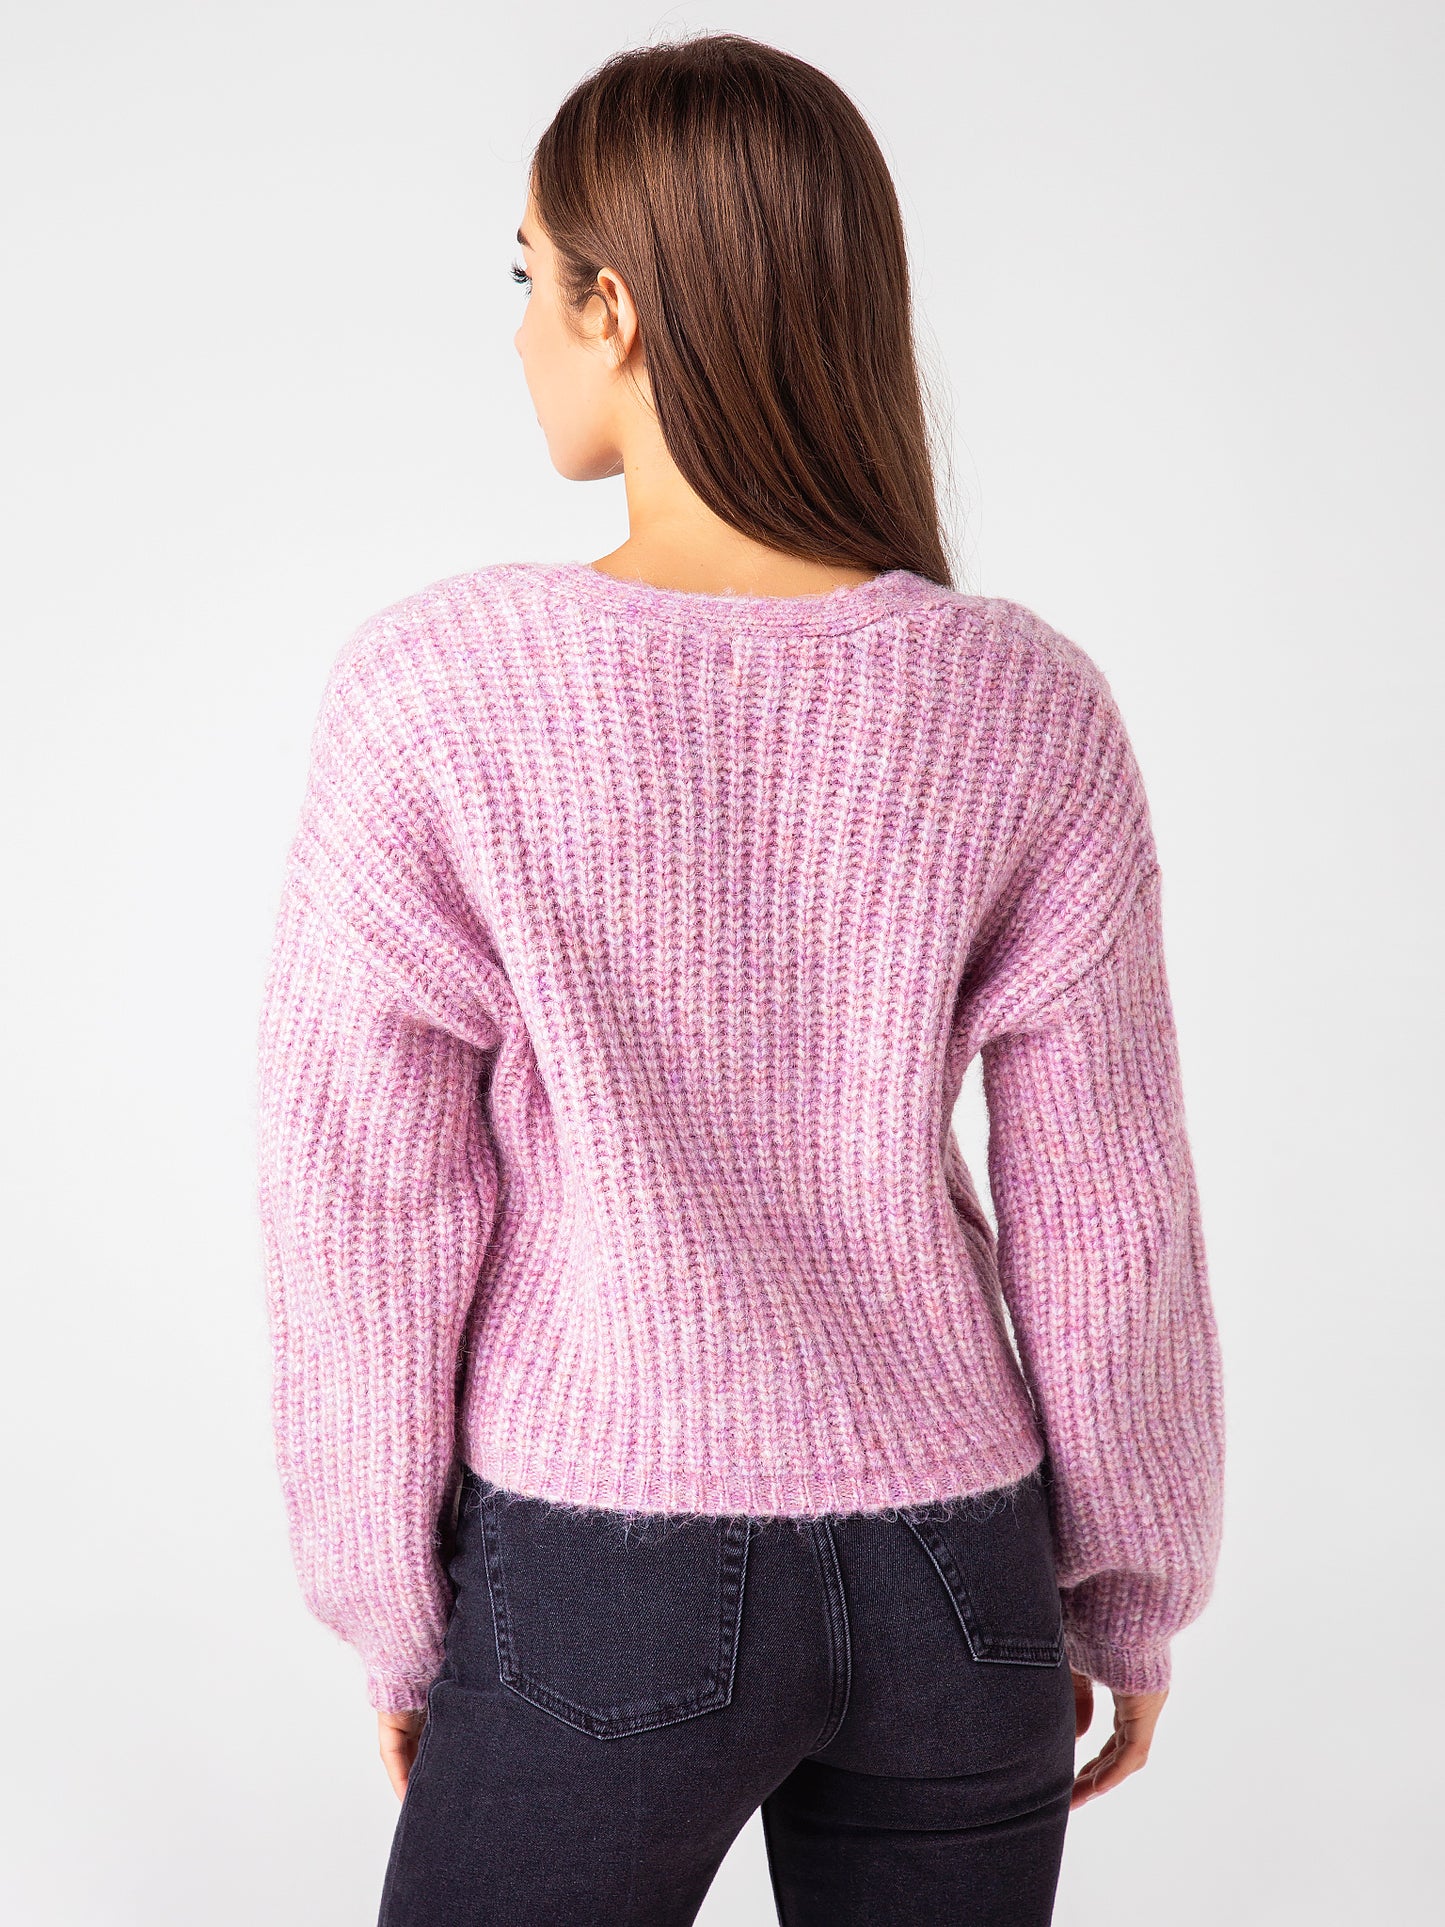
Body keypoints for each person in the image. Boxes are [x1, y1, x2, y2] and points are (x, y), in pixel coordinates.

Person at [256, 31, 1225, 1927]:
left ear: (613, 306)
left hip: (595, 1576)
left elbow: (363, 1199)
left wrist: (390, 1611)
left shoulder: (442, 689)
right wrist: (1125, 1587)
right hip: (961, 1581)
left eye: (527, 276)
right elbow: (1108, 1204)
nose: (519, 330)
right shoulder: (1020, 699)